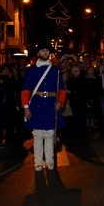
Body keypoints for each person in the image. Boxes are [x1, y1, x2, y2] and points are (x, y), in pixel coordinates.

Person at [21, 42, 67, 171]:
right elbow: (25, 90)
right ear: (38, 53)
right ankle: (38, 163)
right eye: (42, 50)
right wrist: (26, 107)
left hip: (51, 105)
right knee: (37, 135)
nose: (45, 53)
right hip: (36, 105)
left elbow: (62, 90)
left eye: (47, 50)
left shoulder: (56, 69)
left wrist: (60, 101)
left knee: (50, 134)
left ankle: (50, 161)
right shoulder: (30, 70)